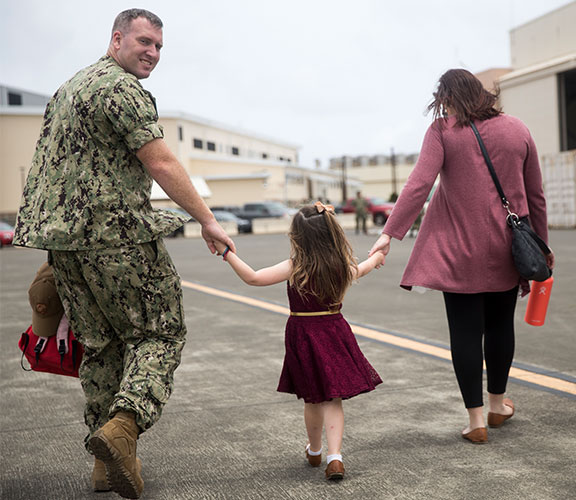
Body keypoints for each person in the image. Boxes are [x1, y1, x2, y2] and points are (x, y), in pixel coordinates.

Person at [13, 9, 235, 499]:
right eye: (144, 41)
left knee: (103, 347)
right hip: (117, 238)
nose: (152, 52)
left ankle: (105, 465)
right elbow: (159, 160)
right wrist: (208, 219)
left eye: (158, 46)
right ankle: (123, 427)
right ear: (116, 39)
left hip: (66, 245)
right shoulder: (121, 89)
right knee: (161, 332)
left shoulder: (70, 88)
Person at [369, 69, 554, 444]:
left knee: (465, 333)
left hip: (458, 252)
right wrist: (542, 248)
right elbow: (536, 196)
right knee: (502, 326)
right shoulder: (518, 129)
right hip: (509, 250)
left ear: (448, 99)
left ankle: (475, 420)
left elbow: (420, 183)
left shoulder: (442, 131)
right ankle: (498, 404)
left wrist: (389, 234)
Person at [213, 202, 384, 480]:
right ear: (332, 233)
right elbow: (362, 268)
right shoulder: (339, 265)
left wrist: (226, 253)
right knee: (333, 397)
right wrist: (377, 258)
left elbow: (253, 278)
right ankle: (335, 457)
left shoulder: (296, 266)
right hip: (334, 331)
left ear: (298, 237)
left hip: (303, 334)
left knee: (313, 397)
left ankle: (315, 450)